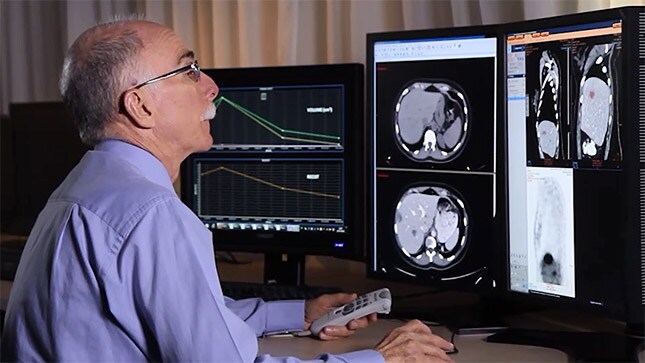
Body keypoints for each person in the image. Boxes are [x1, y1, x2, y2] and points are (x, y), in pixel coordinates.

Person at [0, 17, 454, 362]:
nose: (212, 87)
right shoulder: (151, 215)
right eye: (189, 71)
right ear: (139, 105)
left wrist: (299, 313)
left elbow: (188, 318)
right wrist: (381, 357)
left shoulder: (85, 188)